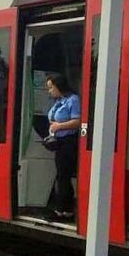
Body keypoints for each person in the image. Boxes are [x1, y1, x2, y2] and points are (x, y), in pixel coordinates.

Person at [45, 74, 81, 221]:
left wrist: (59, 126)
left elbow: (77, 121)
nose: (49, 91)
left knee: (63, 175)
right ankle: (65, 209)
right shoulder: (59, 101)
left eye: (51, 87)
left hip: (68, 141)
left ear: (59, 86)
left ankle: (62, 210)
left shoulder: (73, 100)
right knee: (61, 174)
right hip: (58, 141)